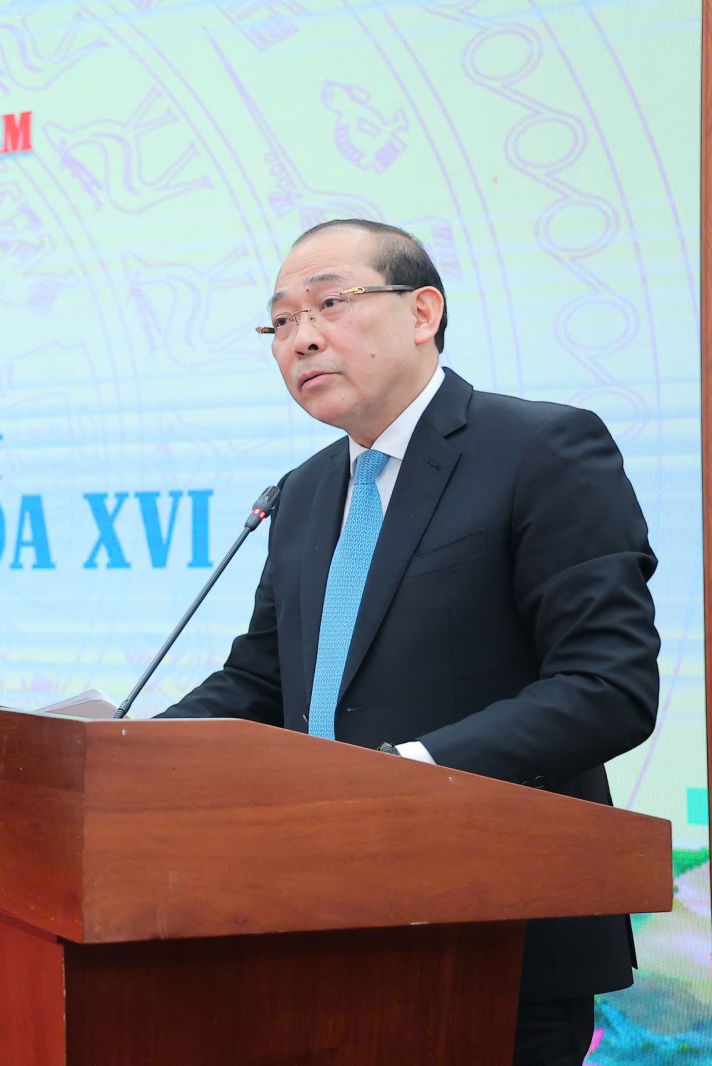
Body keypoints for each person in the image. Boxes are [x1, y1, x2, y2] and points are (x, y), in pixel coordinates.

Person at [158, 218, 659, 1066]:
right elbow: (263, 683)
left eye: (330, 304)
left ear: (423, 312)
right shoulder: (306, 492)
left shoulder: (539, 449)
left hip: (495, 942)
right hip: (322, 929)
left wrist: (410, 772)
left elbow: (608, 686)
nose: (301, 338)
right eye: (280, 322)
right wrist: (120, 752)